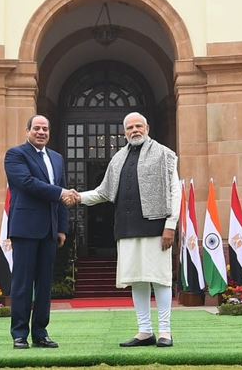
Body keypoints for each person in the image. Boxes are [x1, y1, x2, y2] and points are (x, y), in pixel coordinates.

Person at [64, 111, 181, 348]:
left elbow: (175, 191)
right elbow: (103, 192)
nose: (135, 130)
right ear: (124, 132)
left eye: (139, 126)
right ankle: (145, 331)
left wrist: (171, 225)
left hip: (156, 227)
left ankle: (166, 332)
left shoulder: (164, 154)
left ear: (147, 128)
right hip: (127, 228)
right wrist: (78, 198)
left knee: (160, 280)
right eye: (130, 128)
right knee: (137, 280)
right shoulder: (118, 159)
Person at [3, 114, 67, 350]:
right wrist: (60, 193)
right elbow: (27, 183)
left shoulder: (57, 158)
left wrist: (61, 227)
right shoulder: (15, 155)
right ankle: (19, 334)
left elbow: (60, 193)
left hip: (49, 230)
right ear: (27, 131)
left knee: (44, 284)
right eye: (37, 128)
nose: (41, 132)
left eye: (45, 129)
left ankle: (40, 333)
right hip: (25, 229)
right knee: (22, 284)